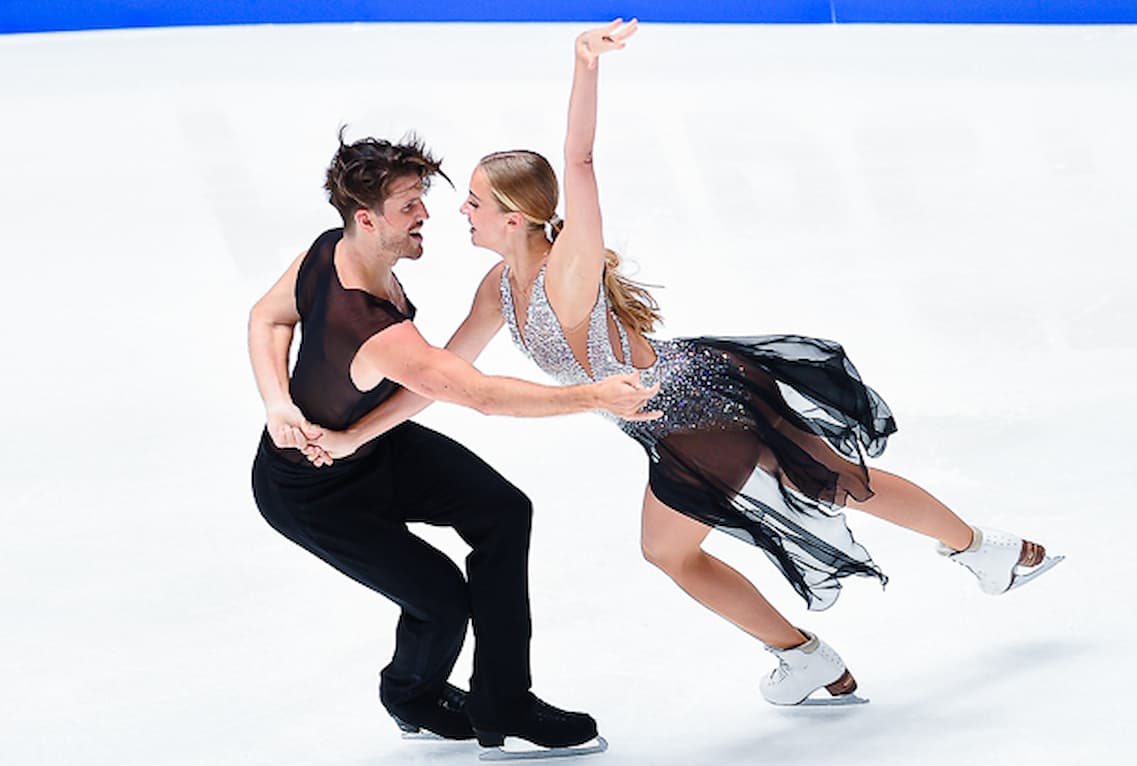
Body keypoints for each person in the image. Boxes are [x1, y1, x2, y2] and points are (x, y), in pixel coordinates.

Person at [311, 20, 1062, 707]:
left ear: (514, 216)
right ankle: (964, 565)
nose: (458, 212)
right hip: (683, 399)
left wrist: (584, 65)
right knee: (823, 487)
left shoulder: (564, 270)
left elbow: (577, 157)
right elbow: (445, 376)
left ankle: (856, 625)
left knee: (759, 514)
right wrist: (358, 436)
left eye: (472, 201)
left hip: (691, 407)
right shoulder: (495, 288)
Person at [248, 128, 659, 755]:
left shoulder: (332, 248)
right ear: (368, 217)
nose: (427, 216)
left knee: (501, 510)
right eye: (410, 206)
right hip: (310, 490)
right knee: (440, 600)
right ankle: (410, 694)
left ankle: (504, 701)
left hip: (371, 448)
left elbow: (269, 315)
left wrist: (285, 404)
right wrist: (592, 395)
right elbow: (478, 394)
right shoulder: (367, 327)